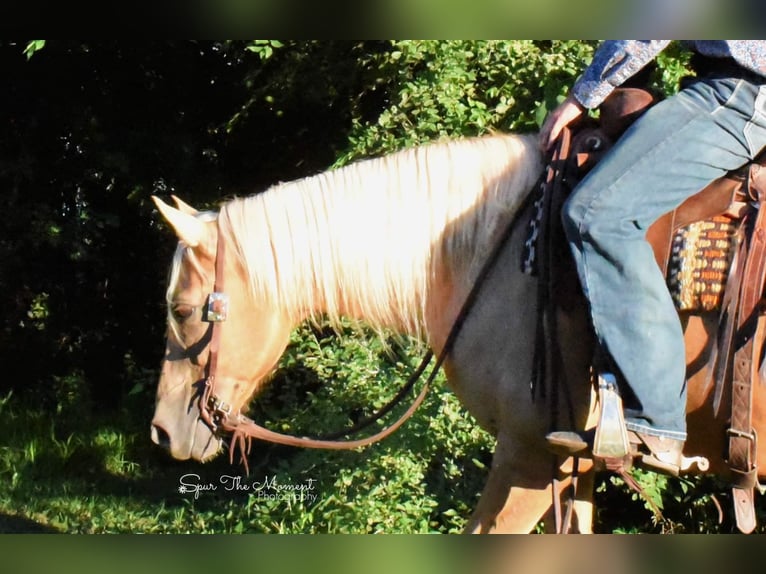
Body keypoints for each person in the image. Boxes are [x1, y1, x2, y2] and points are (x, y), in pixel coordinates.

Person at [542, 41, 766, 475]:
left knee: (597, 214)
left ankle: (657, 421)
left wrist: (582, 95)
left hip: (739, 94)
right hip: (732, 88)